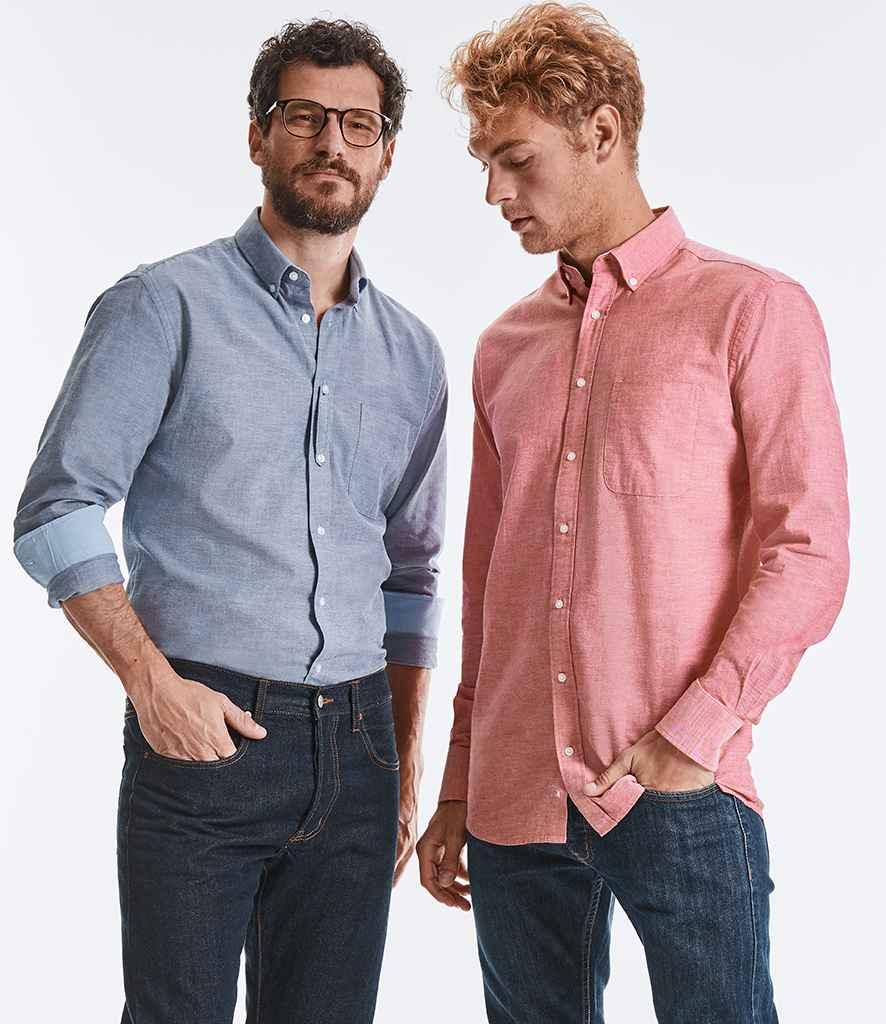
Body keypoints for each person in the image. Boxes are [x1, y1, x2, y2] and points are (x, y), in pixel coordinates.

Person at [417, 5, 848, 1023]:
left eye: (516, 160)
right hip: (515, 798)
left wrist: (697, 732)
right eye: (484, 164)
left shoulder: (750, 310)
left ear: (601, 133)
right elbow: (487, 586)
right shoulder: (503, 347)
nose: (494, 193)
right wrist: (460, 781)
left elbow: (808, 549)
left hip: (676, 785)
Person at [13, 18, 446, 1024]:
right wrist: (149, 681)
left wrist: (402, 762)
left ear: (386, 154)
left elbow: (411, 575)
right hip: (203, 737)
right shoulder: (163, 305)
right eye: (304, 117)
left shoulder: (412, 353)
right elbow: (57, 506)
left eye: (358, 125)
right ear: (257, 136)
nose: (332, 143)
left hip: (361, 747)